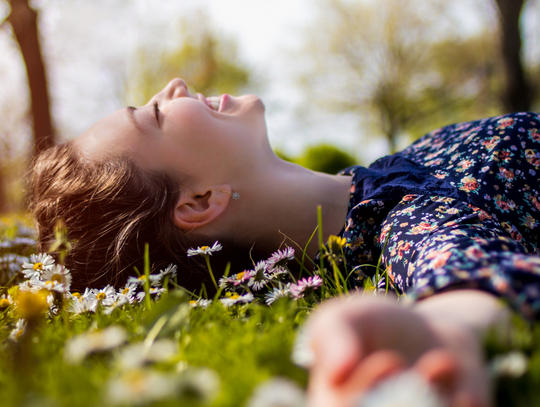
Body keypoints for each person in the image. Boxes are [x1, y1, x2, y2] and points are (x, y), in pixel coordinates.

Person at [29, 77, 540, 406]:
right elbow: (465, 277)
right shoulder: (408, 222)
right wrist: (443, 336)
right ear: (200, 201)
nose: (175, 85)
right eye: (155, 115)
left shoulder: (386, 177)